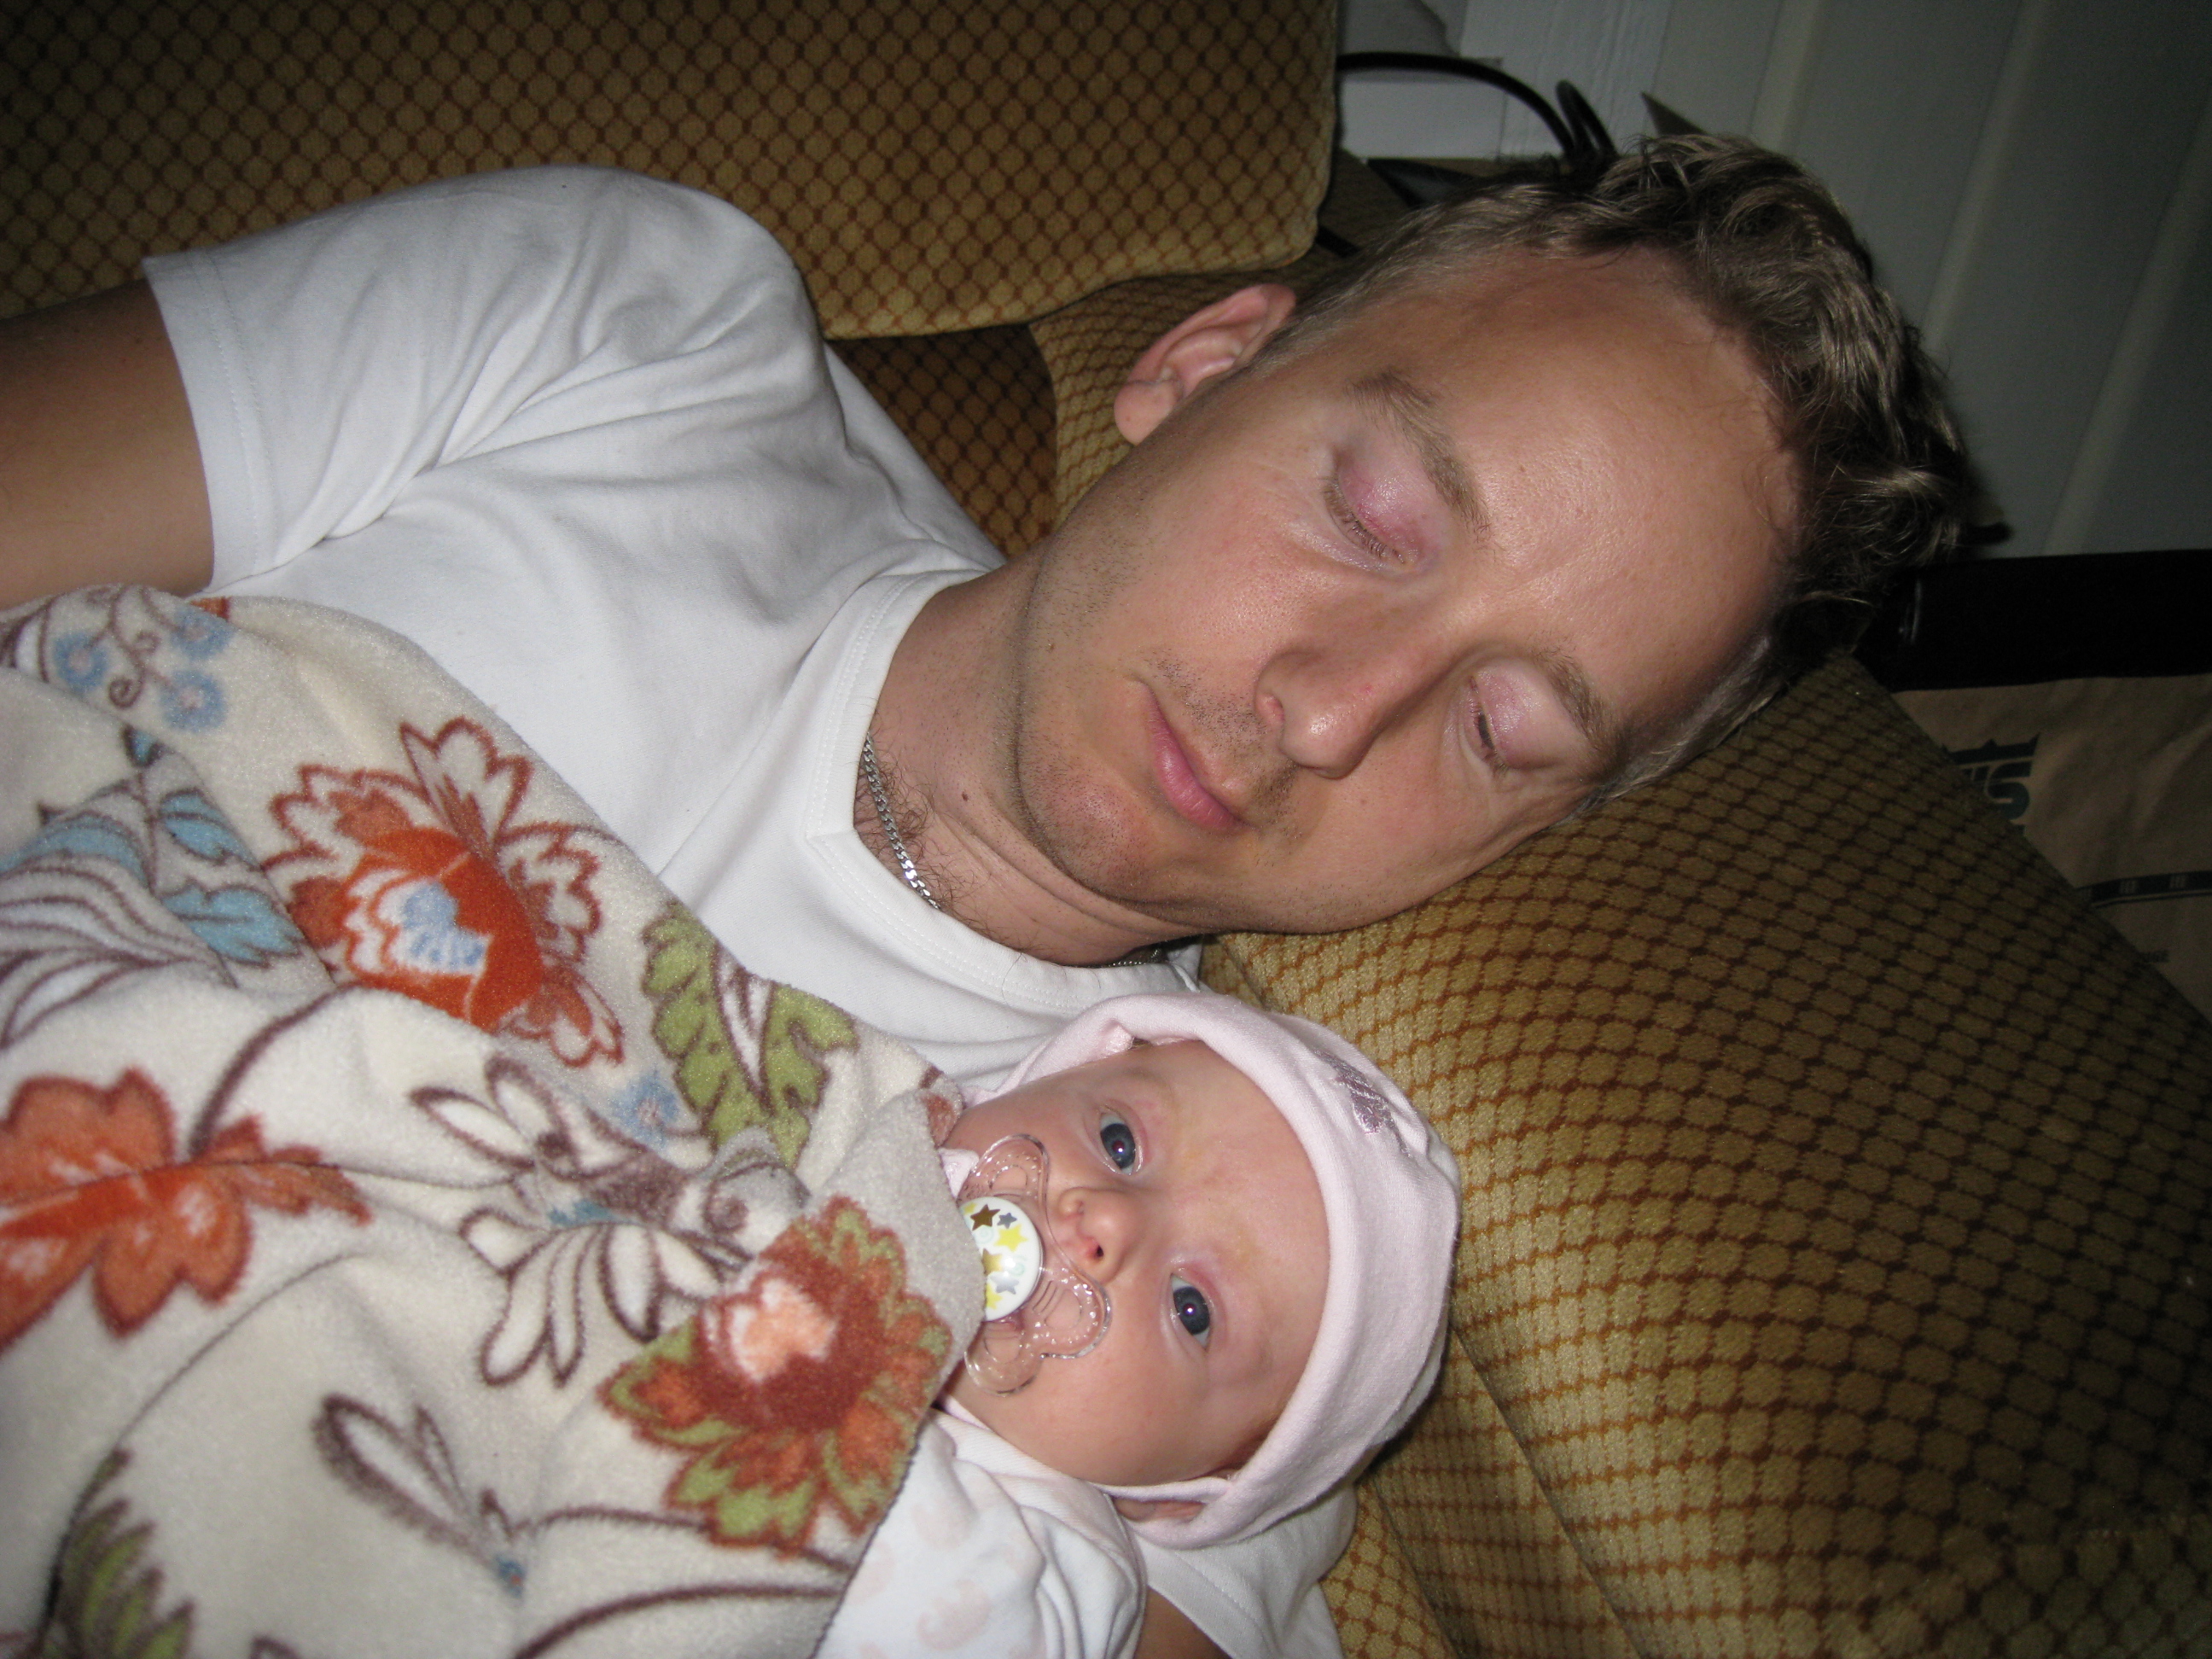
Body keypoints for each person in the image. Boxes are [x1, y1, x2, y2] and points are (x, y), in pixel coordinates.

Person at [0, 136, 1963, 1657]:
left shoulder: (1231, 1316)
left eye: (1497, 726)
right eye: (1374, 515)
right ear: (1201, 366)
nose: (1328, 707)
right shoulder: (627, 329)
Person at [820, 991, 1459, 1659]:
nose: (1111, 1220)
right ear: (1059, 1067)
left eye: (1192, 1309)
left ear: (1174, 1495)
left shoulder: (1032, 1583)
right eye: (1118, 1143)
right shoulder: (848, 1087)